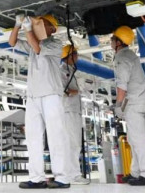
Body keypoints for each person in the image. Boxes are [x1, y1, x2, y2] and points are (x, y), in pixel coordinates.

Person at [9, 14, 71, 189]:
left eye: (44, 23)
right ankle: (36, 178)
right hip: (33, 96)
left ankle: (62, 178)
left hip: (51, 95)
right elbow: (12, 42)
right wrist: (17, 25)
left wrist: (29, 28)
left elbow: (37, 48)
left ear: (52, 29)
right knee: (33, 137)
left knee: (55, 136)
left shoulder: (56, 44)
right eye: (39, 22)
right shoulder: (32, 43)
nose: (40, 25)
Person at [111, 26, 145, 187]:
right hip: (137, 101)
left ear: (118, 42)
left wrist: (118, 106)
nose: (111, 41)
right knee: (133, 139)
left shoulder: (123, 58)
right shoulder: (129, 55)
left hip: (134, 103)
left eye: (113, 39)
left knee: (138, 140)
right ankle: (136, 172)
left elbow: (122, 85)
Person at [60, 45, 91, 185]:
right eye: (76, 53)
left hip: (74, 111)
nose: (77, 56)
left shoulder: (71, 70)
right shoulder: (62, 71)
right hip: (68, 111)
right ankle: (72, 175)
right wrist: (78, 91)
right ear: (69, 55)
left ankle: (72, 174)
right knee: (71, 143)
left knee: (75, 143)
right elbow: (63, 91)